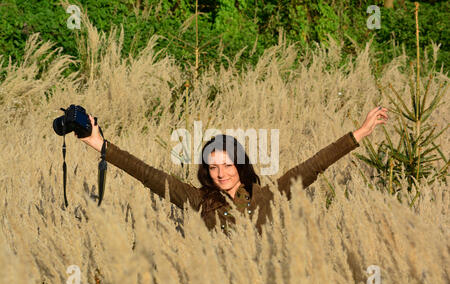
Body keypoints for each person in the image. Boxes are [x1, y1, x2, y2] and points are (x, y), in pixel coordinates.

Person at [76, 106, 389, 234]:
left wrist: (359, 134)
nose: (221, 172)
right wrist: (100, 145)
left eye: (227, 165)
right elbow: (147, 174)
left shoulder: (270, 196)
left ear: (241, 166)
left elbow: (314, 166)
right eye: (213, 167)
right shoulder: (198, 200)